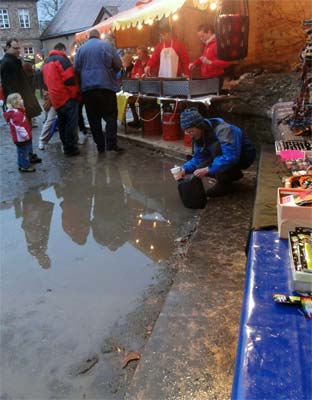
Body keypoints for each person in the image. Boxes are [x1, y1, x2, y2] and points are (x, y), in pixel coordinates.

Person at [174, 108, 256, 197]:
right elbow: (199, 158)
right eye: (186, 131)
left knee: (215, 148)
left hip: (244, 156)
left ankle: (225, 183)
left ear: (200, 126)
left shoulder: (223, 130)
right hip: (229, 156)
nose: (189, 134)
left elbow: (231, 156)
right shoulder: (199, 136)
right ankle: (233, 174)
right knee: (200, 166)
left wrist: (208, 169)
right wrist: (184, 169)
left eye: (191, 131)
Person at [74, 29, 123, 153]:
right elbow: (118, 65)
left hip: (88, 90)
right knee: (111, 117)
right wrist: (110, 73)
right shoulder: (107, 46)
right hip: (106, 88)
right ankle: (111, 144)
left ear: (88, 37)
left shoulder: (81, 50)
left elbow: (76, 69)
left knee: (93, 120)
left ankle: (100, 146)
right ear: (99, 36)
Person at [42, 42, 80, 156]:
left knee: (62, 123)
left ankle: (65, 145)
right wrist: (75, 95)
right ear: (63, 50)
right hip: (67, 97)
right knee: (71, 124)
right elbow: (69, 80)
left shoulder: (46, 62)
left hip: (56, 99)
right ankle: (70, 148)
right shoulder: (62, 60)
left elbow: (45, 82)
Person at [0, 39, 42, 122]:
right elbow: (11, 87)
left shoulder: (13, 61)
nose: (18, 50)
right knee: (23, 130)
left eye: (19, 48)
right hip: (19, 104)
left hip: (23, 101)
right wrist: (18, 105)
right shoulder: (8, 63)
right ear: (8, 47)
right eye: (15, 48)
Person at [3, 93, 40, 172]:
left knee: (21, 152)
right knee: (23, 152)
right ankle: (25, 166)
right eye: (20, 99)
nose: (22, 100)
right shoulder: (16, 114)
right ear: (15, 103)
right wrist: (26, 135)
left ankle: (21, 164)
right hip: (21, 138)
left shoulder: (14, 112)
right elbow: (19, 127)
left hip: (18, 138)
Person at [127, 46, 151, 128]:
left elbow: (154, 73)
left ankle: (143, 122)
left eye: (140, 53)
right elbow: (132, 73)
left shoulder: (150, 61)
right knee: (130, 100)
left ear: (145, 53)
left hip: (148, 88)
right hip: (138, 87)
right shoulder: (138, 62)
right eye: (138, 54)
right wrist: (135, 75)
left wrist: (146, 76)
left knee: (143, 101)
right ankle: (136, 119)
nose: (138, 55)